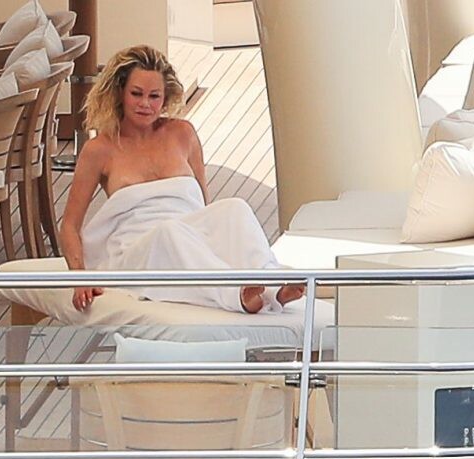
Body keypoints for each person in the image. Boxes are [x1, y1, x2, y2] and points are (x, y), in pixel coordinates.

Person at [60, 45, 304, 314]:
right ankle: (236, 294)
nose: (145, 104)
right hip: (139, 250)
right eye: (136, 94)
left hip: (187, 232)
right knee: (169, 232)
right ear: (120, 93)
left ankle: (271, 285)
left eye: (154, 96)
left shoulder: (183, 134)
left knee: (234, 208)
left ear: (166, 98)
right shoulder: (99, 149)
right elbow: (70, 225)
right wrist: (79, 278)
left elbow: (204, 207)